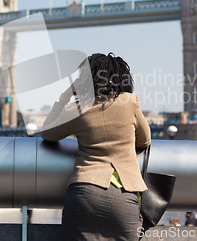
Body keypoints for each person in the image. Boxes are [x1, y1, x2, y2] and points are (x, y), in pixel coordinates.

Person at [40, 53, 151, 241]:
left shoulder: (77, 109)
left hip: (84, 194)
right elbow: (145, 140)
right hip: (124, 196)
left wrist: (65, 96)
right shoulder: (130, 102)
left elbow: (47, 133)